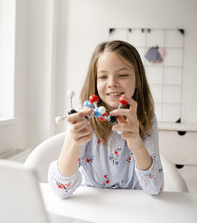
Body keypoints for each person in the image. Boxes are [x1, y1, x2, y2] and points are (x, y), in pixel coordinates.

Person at [48, 40, 164, 198]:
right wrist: (74, 142)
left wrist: (136, 142)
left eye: (122, 75)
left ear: (138, 80)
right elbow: (61, 190)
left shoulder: (146, 118)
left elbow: (154, 187)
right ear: (94, 82)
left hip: (135, 206)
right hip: (95, 205)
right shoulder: (83, 119)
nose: (112, 83)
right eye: (103, 76)